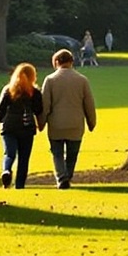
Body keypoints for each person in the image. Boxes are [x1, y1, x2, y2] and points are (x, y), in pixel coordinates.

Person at [42, 49, 99, 188]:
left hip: (56, 124)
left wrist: (41, 123)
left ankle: (61, 177)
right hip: (76, 124)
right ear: (72, 62)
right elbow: (89, 104)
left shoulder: (50, 80)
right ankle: (68, 176)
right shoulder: (82, 80)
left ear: (56, 62)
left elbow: (45, 105)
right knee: (72, 154)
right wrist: (91, 122)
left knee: (57, 153)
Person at [0, 63, 44, 189]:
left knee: (9, 153)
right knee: (24, 158)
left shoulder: (8, 90)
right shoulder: (34, 92)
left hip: (9, 127)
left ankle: (6, 170)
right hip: (26, 127)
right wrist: (40, 124)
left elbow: (0, 111)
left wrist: (3, 121)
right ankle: (20, 185)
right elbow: (38, 110)